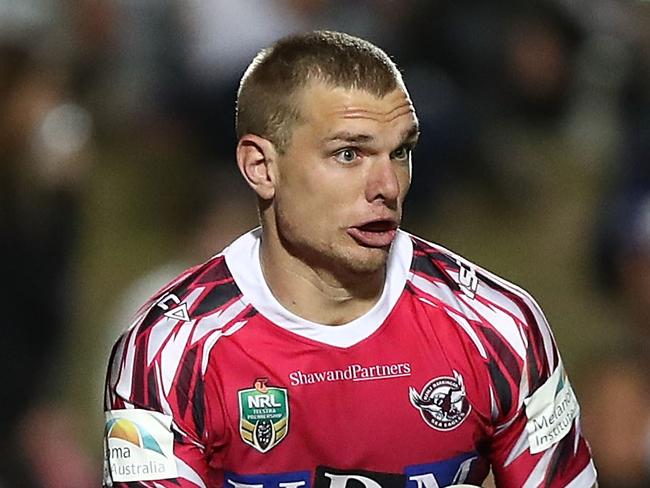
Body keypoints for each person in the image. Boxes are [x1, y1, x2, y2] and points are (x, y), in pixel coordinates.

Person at [103, 31, 597, 487]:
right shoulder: (169, 353)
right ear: (261, 167)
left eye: (400, 152)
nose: (386, 187)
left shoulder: (498, 327)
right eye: (349, 155)